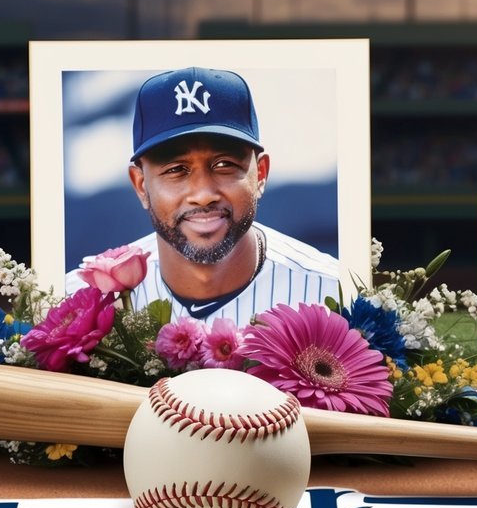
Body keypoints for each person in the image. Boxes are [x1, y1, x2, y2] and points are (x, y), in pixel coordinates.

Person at [65, 66, 342, 326]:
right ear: (140, 186)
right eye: (176, 169)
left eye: (224, 165)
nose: (203, 194)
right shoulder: (73, 305)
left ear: (261, 173)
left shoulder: (335, 293)